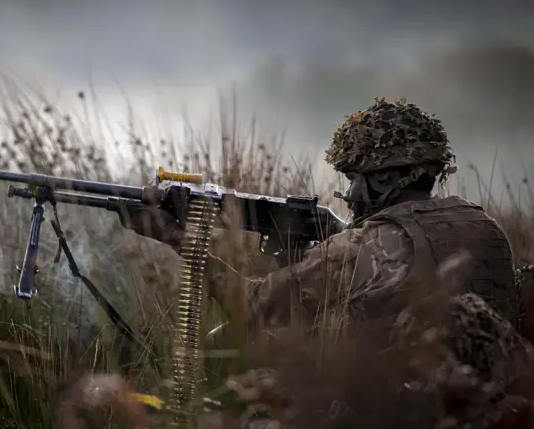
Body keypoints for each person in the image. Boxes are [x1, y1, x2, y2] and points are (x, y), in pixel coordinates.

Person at [119, 98, 532, 425]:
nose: (349, 193)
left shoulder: (373, 244)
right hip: (489, 404)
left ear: (386, 178)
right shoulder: (485, 224)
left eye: (355, 178)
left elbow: (252, 306)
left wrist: (177, 239)